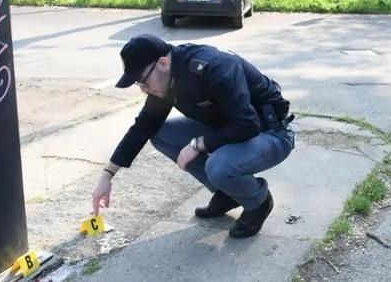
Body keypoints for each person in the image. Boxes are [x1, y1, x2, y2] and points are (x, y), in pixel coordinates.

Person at [91, 34, 294, 238]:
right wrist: (107, 175)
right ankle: (228, 193)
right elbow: (145, 125)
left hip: (270, 132)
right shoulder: (167, 76)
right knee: (161, 134)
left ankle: (258, 201)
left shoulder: (213, 67)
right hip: (228, 128)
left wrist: (199, 143)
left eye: (143, 81)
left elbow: (247, 124)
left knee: (219, 166)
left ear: (162, 63)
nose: (144, 89)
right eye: (138, 84)